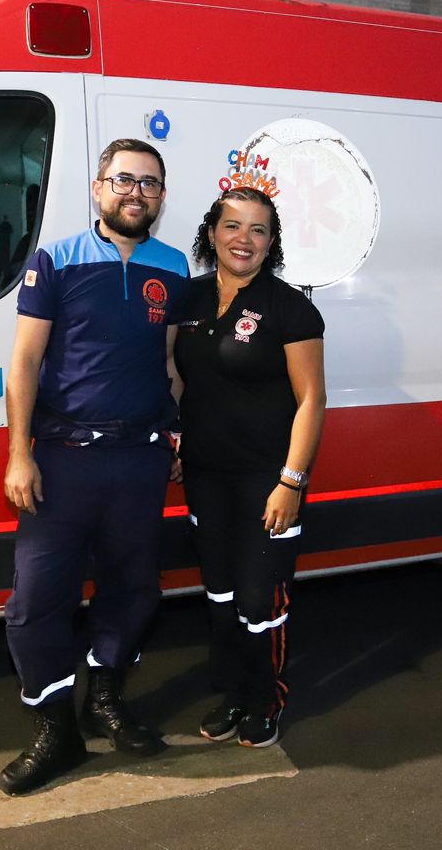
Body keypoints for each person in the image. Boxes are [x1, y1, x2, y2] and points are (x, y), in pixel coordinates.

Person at [0, 138, 190, 796]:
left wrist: (177, 432)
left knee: (133, 590)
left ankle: (104, 698)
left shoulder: (175, 268)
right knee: (35, 602)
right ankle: (56, 729)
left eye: (149, 184)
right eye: (124, 180)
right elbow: (23, 363)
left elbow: (169, 364)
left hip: (138, 460)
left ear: (161, 197)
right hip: (62, 460)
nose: (136, 192)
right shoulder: (57, 259)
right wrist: (19, 452)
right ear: (98, 187)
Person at [172, 186, 326, 748]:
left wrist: (292, 481)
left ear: (271, 243)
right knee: (219, 592)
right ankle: (232, 692)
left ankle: (266, 697)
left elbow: (312, 401)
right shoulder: (186, 300)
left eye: (258, 230)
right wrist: (173, 434)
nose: (244, 239)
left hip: (268, 477)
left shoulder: (291, 308)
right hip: (205, 473)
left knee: (260, 598)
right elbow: (179, 375)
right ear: (212, 232)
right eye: (233, 226)